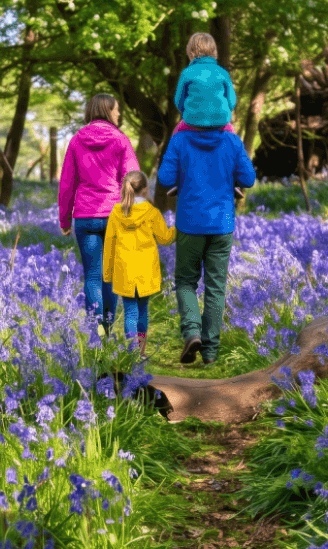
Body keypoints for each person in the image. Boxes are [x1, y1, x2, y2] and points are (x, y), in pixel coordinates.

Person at [157, 108, 257, 365]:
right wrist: (227, 176)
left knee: (185, 281)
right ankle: (210, 352)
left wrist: (186, 177)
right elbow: (248, 178)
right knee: (216, 286)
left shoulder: (180, 139)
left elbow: (165, 177)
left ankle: (191, 332)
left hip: (190, 222)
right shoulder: (232, 140)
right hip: (222, 223)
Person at [58, 94, 141, 335]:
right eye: (116, 110)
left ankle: (96, 333)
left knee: (93, 275)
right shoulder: (121, 140)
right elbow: (132, 179)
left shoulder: (76, 141)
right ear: (107, 111)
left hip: (85, 217)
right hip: (114, 215)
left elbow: (67, 184)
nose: (118, 115)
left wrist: (65, 220)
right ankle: (108, 326)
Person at [102, 171, 176, 358]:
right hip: (146, 271)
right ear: (145, 189)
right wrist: (179, 227)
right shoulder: (151, 212)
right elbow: (165, 238)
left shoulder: (116, 213)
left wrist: (107, 274)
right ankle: (141, 353)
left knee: (130, 313)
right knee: (142, 311)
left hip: (124, 271)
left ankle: (131, 353)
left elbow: (109, 245)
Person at [168, 32, 244, 199]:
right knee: (235, 143)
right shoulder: (222, 73)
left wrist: (187, 112)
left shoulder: (187, 73)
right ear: (214, 52)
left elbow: (178, 100)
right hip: (220, 123)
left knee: (175, 138)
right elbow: (231, 100)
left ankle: (175, 178)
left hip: (192, 122)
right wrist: (223, 112)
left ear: (191, 52)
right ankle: (236, 180)